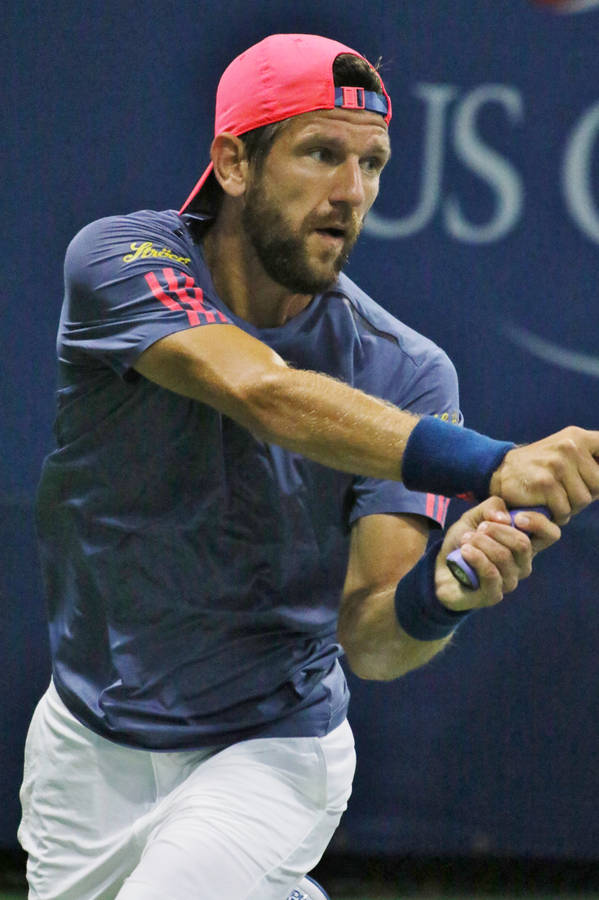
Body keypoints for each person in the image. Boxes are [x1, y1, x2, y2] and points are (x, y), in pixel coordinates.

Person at [18, 32, 599, 900]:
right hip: (82, 739)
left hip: (270, 749)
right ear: (233, 162)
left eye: (371, 164)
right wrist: (494, 464)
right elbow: (262, 392)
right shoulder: (119, 260)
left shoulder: (406, 372)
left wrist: (439, 596)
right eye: (321, 153)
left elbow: (371, 641)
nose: (351, 192)